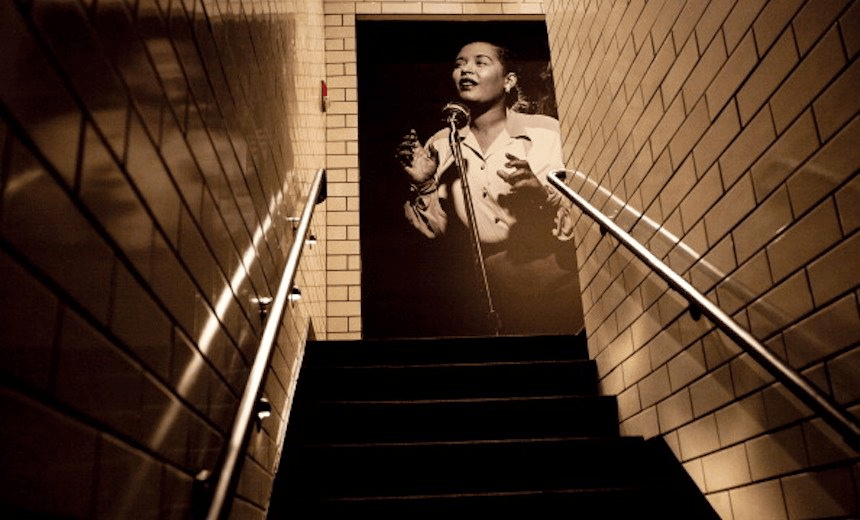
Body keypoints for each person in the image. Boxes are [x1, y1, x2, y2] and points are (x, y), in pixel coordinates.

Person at [396, 39, 584, 336]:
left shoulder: (548, 133)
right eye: (459, 64)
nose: (465, 70)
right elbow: (435, 234)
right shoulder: (440, 145)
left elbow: (584, 216)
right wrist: (424, 186)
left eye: (480, 62)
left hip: (552, 283)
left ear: (508, 80)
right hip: (476, 295)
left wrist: (541, 196)